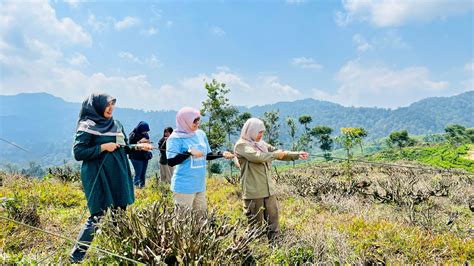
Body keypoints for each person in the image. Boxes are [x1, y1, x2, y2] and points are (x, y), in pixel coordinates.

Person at [69, 93, 153, 263]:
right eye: (107, 105)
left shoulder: (116, 124)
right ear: (96, 106)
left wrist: (138, 147)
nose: (110, 108)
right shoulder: (88, 125)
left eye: (112, 104)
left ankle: (122, 251)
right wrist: (102, 147)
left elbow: (123, 147)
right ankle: (76, 256)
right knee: (98, 214)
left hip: (119, 173)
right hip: (98, 175)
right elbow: (78, 153)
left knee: (120, 212)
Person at [234, 118, 308, 241]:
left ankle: (275, 246)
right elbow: (257, 157)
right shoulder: (241, 145)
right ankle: (243, 250)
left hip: (268, 190)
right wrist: (275, 155)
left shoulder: (261, 144)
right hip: (254, 192)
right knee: (254, 226)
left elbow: (277, 152)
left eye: (262, 133)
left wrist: (296, 154)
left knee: (273, 223)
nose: (261, 135)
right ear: (251, 131)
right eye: (259, 132)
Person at [166, 107, 233, 216]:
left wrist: (222, 154)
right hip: (183, 186)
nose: (197, 123)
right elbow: (171, 161)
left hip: (199, 185)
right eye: (194, 121)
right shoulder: (175, 138)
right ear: (185, 121)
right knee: (183, 221)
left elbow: (207, 155)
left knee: (201, 218)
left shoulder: (200, 134)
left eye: (198, 120)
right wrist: (189, 152)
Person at [128, 121, 153, 188]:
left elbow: (147, 143)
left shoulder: (146, 135)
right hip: (136, 157)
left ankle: (142, 187)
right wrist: (139, 143)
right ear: (140, 129)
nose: (145, 132)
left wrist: (147, 144)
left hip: (144, 156)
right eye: (144, 131)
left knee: (143, 174)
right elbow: (130, 147)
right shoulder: (133, 135)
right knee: (138, 173)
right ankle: (136, 188)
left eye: (146, 131)